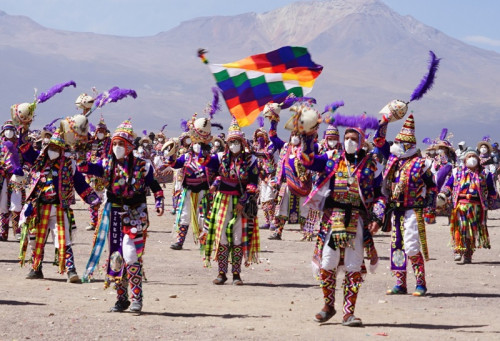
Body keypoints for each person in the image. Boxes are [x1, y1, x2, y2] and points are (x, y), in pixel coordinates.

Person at [299, 112, 385, 327]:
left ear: (362, 141)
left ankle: (349, 313)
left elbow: (381, 194)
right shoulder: (330, 160)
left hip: (357, 219)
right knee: (327, 263)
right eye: (346, 137)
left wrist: (378, 215)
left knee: (353, 265)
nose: (349, 141)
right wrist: (308, 135)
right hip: (333, 219)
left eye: (354, 138)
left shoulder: (372, 166)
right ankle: (329, 305)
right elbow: (307, 160)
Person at [79, 119, 164, 313]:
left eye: (121, 144)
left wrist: (159, 202)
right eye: (114, 144)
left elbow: (155, 186)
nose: (117, 147)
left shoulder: (143, 165)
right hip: (114, 212)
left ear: (129, 146)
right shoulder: (107, 163)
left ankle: (137, 298)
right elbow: (86, 168)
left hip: (136, 212)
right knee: (116, 256)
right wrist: (81, 150)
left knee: (131, 254)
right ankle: (121, 298)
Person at [19, 129, 100, 282]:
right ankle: (36, 268)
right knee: (35, 239)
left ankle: (71, 270)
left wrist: (93, 200)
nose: (53, 151)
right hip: (39, 208)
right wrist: (23, 128)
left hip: (59, 208)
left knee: (64, 239)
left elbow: (80, 184)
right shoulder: (39, 160)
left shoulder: (69, 165)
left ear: (62, 150)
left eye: (57, 149)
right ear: (46, 147)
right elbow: (24, 148)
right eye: (51, 148)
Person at [381, 115, 437, 297]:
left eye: (402, 143)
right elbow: (379, 142)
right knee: (396, 245)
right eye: (397, 142)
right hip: (396, 210)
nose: (398, 146)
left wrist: (429, 209)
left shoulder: (422, 164)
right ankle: (400, 283)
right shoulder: (393, 162)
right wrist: (384, 121)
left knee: (412, 246)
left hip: (414, 209)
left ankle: (420, 283)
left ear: (409, 146)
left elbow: (432, 187)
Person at [203, 118, 260, 286]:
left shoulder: (250, 160)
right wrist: (201, 143)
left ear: (242, 143)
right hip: (222, 200)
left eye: (237, 142)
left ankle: (236, 274)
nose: (234, 144)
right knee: (221, 237)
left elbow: (253, 183)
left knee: (237, 237)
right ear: (227, 143)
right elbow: (204, 162)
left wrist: (243, 200)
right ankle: (221, 273)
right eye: (231, 142)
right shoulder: (220, 157)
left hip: (240, 203)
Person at [438, 149, 497, 263]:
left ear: (478, 159)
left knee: (471, 232)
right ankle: (458, 250)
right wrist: (443, 194)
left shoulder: (485, 173)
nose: (471, 158)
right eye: (469, 156)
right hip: (461, 205)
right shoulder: (457, 172)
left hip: (477, 207)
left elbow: (491, 190)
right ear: (465, 159)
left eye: (473, 156)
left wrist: (492, 199)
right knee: (460, 227)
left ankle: (468, 254)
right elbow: (449, 185)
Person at [164, 115, 214, 250]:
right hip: (188, 191)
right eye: (195, 142)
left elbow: (215, 171)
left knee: (203, 217)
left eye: (200, 142)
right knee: (184, 216)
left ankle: (204, 241)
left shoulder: (210, 157)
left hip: (204, 191)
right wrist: (170, 155)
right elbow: (175, 164)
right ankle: (179, 241)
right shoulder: (186, 156)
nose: (197, 145)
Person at [85, 116, 111, 231]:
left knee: (107, 201)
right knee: (93, 200)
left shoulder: (110, 143)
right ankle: (93, 222)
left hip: (106, 175)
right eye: (98, 131)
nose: (100, 133)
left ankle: (106, 223)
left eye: (102, 131)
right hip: (93, 177)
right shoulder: (92, 142)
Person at [0, 120, 25, 241]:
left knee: (16, 204)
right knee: (3, 205)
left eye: (11, 130)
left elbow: (24, 161)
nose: (8, 132)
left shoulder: (20, 146)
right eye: (6, 130)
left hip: (17, 178)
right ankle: (3, 232)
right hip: (3, 178)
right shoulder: (1, 146)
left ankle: (17, 232)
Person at [252, 120, 277, 231]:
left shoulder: (271, 146)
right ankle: (267, 221)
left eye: (262, 136)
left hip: (272, 176)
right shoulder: (257, 148)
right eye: (258, 137)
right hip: (262, 177)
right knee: (263, 201)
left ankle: (273, 221)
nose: (260, 139)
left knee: (270, 200)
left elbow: (269, 154)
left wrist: (257, 153)